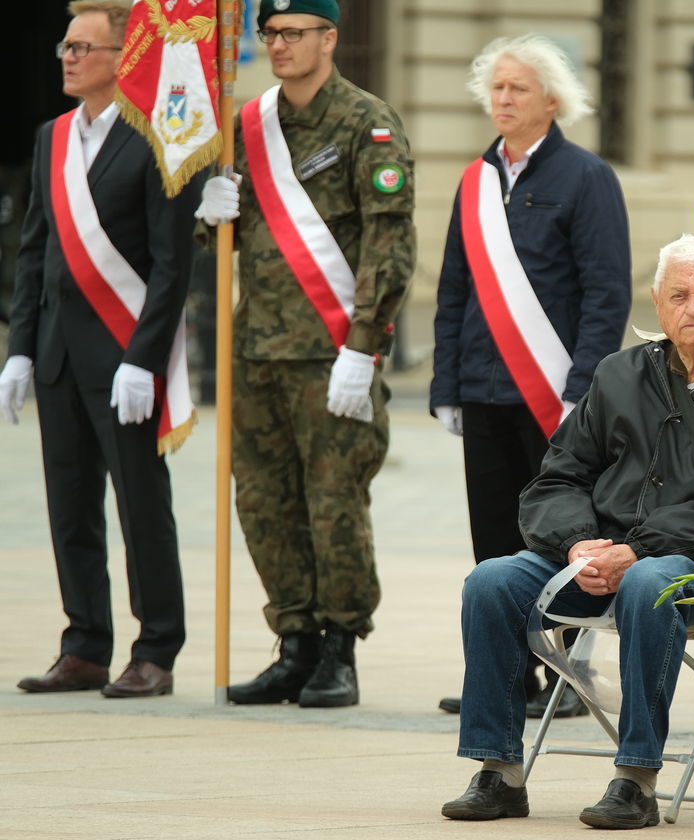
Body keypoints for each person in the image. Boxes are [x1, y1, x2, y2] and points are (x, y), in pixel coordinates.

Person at [440, 234, 694, 829]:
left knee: (649, 582)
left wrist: (634, 550)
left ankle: (636, 779)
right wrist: (577, 543)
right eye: (680, 295)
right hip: (596, 556)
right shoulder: (618, 374)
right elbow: (555, 479)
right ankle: (498, 773)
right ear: (657, 303)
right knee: (492, 582)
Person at [193, 0, 416, 708]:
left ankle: (339, 647)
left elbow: (390, 241)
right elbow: (232, 243)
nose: (279, 45)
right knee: (263, 501)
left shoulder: (366, 122)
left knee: (333, 502)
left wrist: (363, 345)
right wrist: (211, 216)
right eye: (270, 34)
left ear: (328, 37)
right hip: (256, 348)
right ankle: (294, 639)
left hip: (328, 355)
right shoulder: (249, 124)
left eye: (294, 33)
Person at [1, 0, 199, 697]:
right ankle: (84, 642)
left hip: (124, 358)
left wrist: (145, 359)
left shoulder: (155, 139)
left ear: (123, 59)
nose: (67, 56)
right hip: (57, 353)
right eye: (65, 44)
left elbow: (173, 264)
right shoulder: (51, 137)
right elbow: (35, 252)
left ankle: (156, 649)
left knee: (141, 506)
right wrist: (20, 347)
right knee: (69, 505)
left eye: (84, 46)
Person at [429, 34, 631, 718]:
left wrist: (582, 389)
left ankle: (569, 672)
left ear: (551, 98)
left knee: (561, 535)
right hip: (485, 392)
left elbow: (607, 292)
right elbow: (453, 289)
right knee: (493, 541)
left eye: (518, 88)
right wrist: (445, 386)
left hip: (554, 397)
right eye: (497, 87)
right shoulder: (476, 182)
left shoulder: (586, 177)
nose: (504, 99)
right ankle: (507, 676)